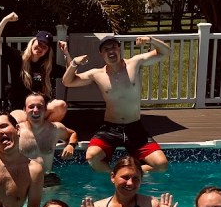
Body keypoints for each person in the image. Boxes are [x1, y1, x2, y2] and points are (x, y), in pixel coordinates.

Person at [62, 34, 170, 173]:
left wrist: (151, 40)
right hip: (110, 129)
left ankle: (130, 173)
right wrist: (74, 63)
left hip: (135, 128)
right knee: (92, 157)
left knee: (161, 165)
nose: (110, 51)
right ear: (101, 54)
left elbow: (165, 52)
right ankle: (115, 175)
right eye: (106, 49)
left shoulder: (135, 63)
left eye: (113, 47)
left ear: (119, 49)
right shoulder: (97, 74)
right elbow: (68, 82)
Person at [0, 11, 67, 121]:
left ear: (47, 51)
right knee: (20, 123)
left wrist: (66, 53)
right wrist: (5, 20)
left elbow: (69, 74)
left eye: (44, 47)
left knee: (61, 105)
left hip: (40, 109)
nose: (40, 48)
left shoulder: (47, 66)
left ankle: (42, 128)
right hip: (20, 109)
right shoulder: (16, 57)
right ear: (33, 42)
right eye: (39, 43)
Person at [12, 91, 79, 175]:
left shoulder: (55, 129)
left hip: (48, 179)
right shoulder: (16, 130)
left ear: (45, 109)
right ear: (25, 110)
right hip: (24, 179)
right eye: (31, 107)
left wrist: (71, 145)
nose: (35, 110)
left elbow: (72, 133)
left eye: (39, 107)